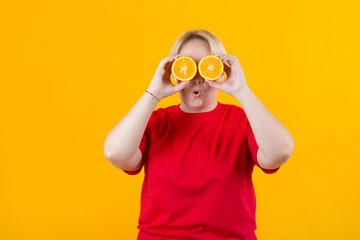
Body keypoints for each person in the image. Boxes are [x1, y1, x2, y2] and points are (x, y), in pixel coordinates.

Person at [104, 29, 294, 240]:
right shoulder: (155, 122)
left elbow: (280, 152)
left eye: (206, 66)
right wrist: (154, 93)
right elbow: (115, 154)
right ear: (174, 71)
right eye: (187, 67)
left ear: (220, 69)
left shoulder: (241, 121)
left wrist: (241, 90)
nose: (197, 78)